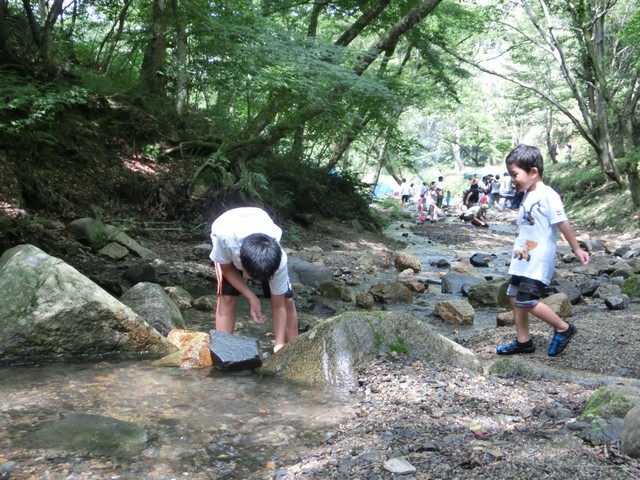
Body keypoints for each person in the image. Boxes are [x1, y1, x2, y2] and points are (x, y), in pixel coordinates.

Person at [496, 145, 589, 357]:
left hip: (537, 260)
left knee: (526, 300)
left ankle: (563, 328)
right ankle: (523, 340)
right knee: (513, 295)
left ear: (533, 172)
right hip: (522, 258)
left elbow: (562, 222)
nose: (513, 179)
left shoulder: (548, 195)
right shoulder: (528, 194)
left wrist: (576, 248)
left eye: (515, 174)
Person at [209, 207, 298, 353]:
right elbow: (227, 269)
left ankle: (291, 351)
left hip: (258, 224)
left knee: (287, 300)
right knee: (227, 297)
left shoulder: (279, 259)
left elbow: (279, 305)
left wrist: (279, 343)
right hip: (227, 225)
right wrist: (252, 297)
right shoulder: (226, 240)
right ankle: (223, 351)